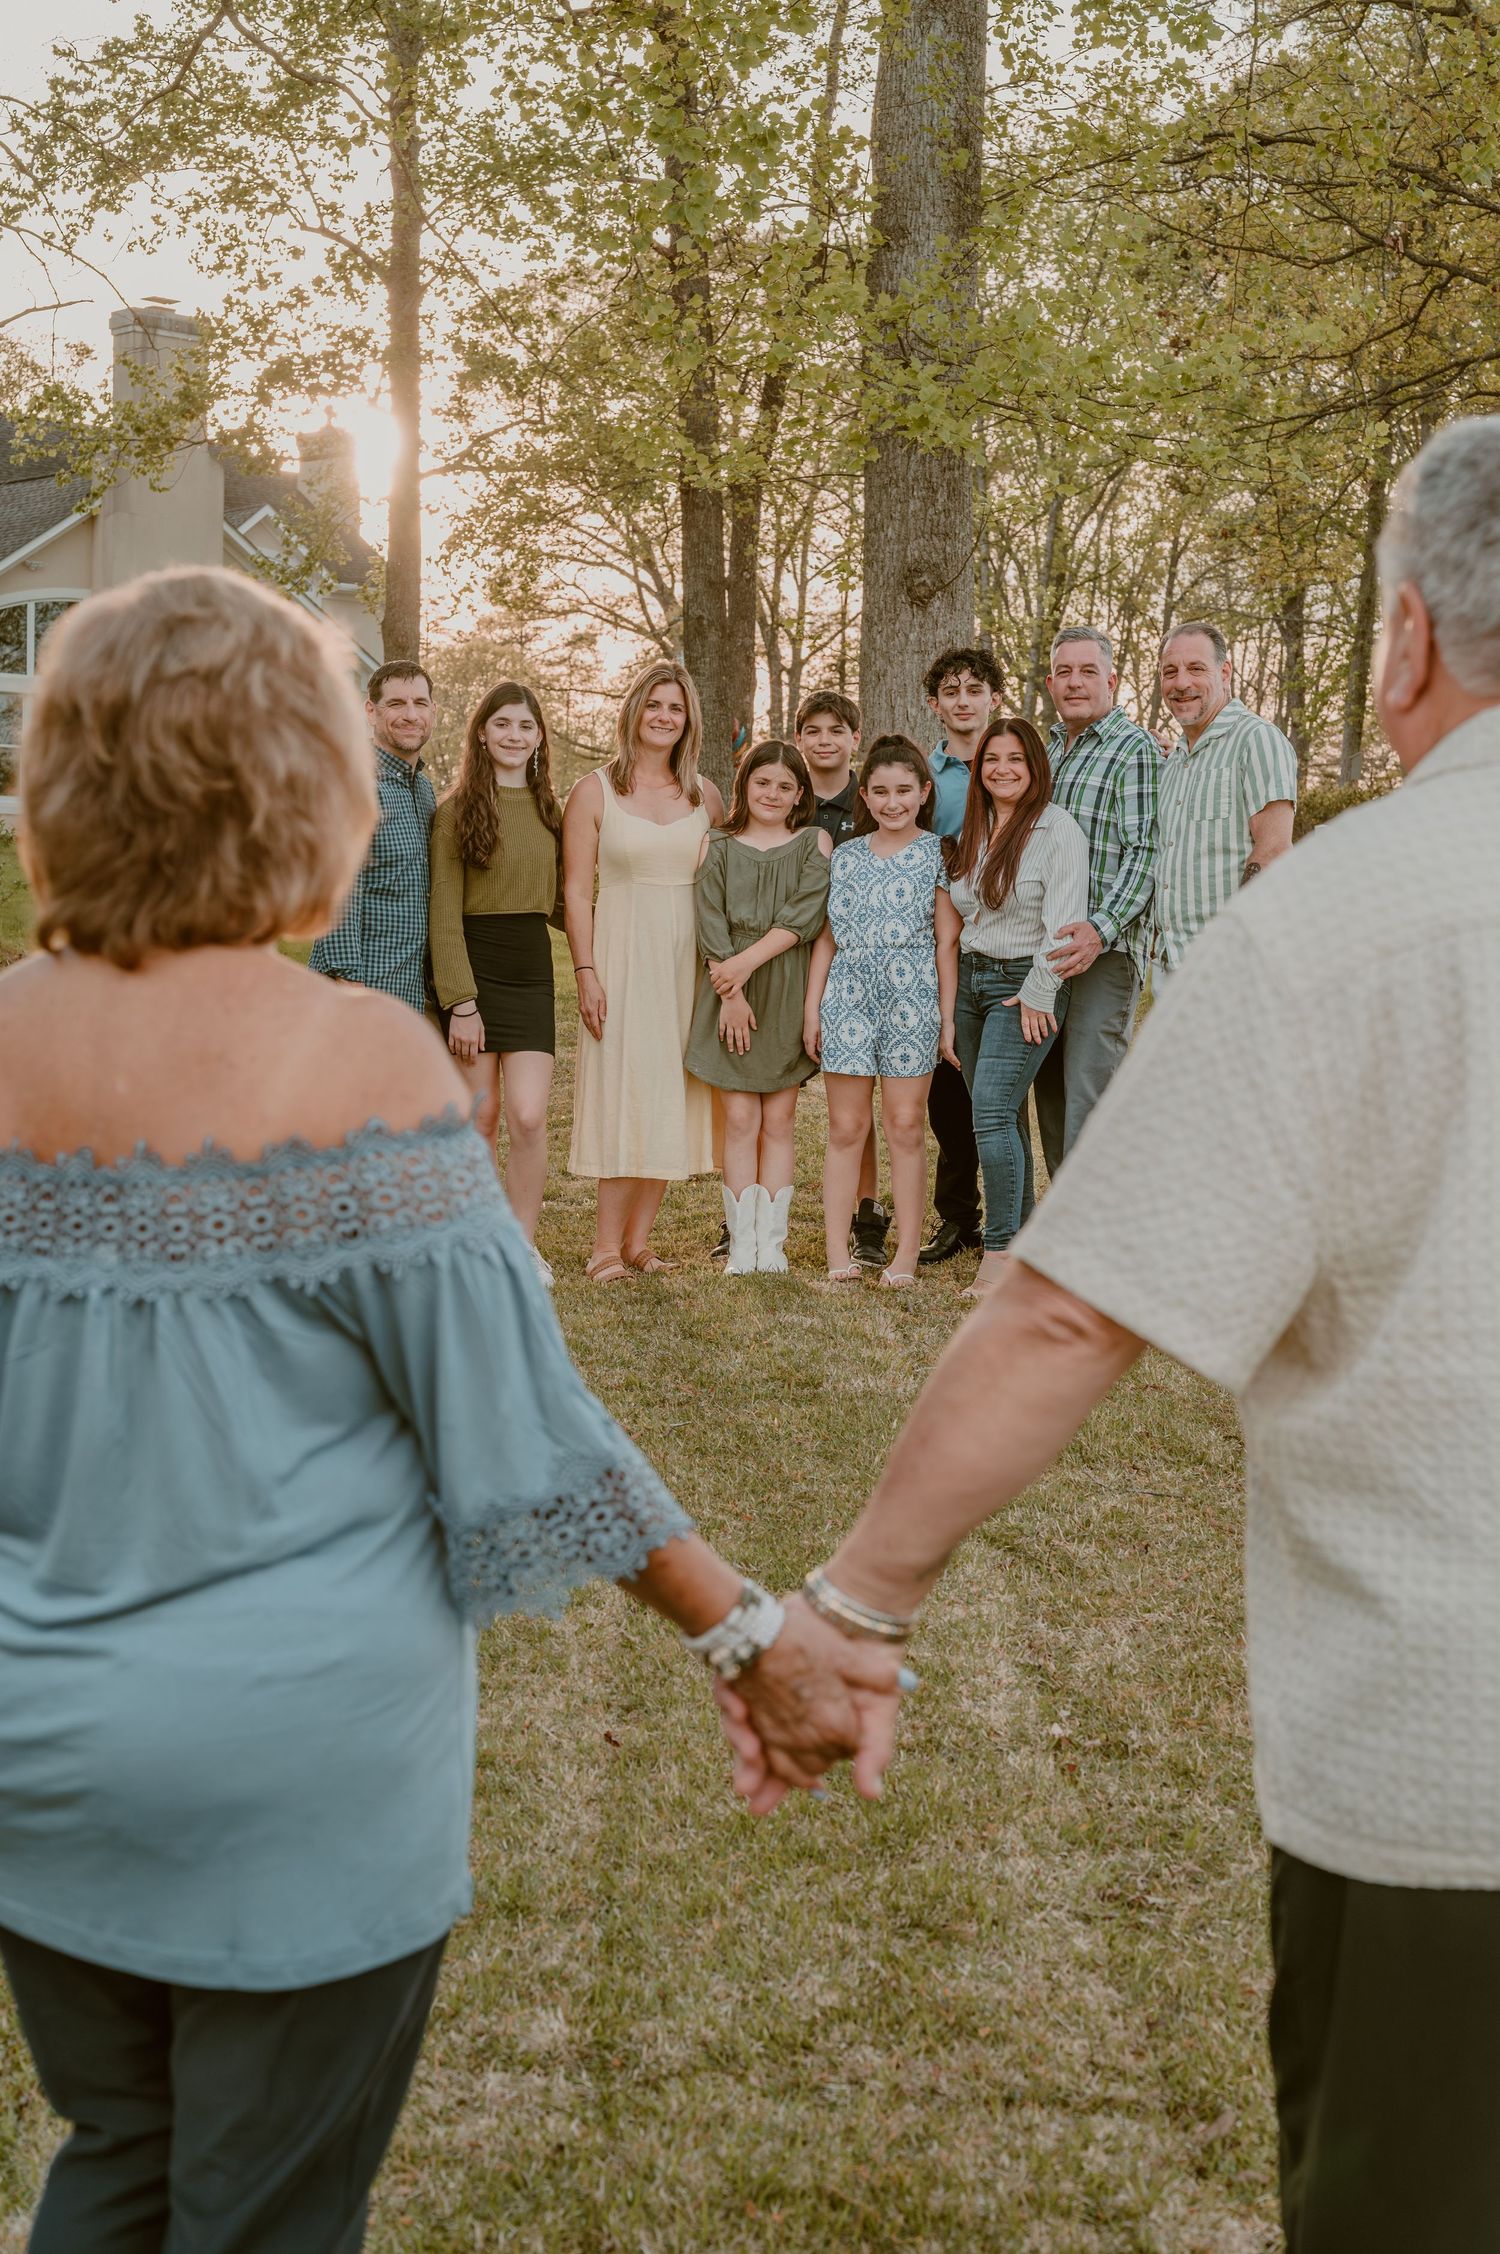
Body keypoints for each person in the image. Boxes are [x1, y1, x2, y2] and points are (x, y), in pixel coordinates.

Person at [0, 566, 900, 2253]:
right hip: (296, 1777)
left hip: (45, 1769)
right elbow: (528, 1425)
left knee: (118, 2156)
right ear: (308, 782)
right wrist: (753, 1636)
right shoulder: (357, 1059)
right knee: (260, 2211)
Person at [721, 417, 1500, 2252]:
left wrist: (855, 1602)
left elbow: (1072, 1304)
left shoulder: (1338, 923)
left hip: (1448, 1790)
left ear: (1400, 637)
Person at [563, 660, 725, 1281]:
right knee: (625, 1086)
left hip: (688, 959)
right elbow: (578, 892)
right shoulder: (593, 791)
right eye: (654, 704)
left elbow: (723, 883)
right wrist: (586, 971)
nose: (664, 716)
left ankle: (638, 1241)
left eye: (676, 708)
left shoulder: (704, 795)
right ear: (634, 710)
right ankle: (604, 1246)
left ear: (689, 722)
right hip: (622, 954)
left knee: (674, 1088)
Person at [804, 737, 961, 1288]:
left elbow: (947, 943)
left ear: (922, 793)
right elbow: (826, 938)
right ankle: (836, 1254)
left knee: (905, 1124)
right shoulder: (845, 856)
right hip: (847, 996)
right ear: (864, 796)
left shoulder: (939, 853)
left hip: (910, 998)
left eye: (903, 791)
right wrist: (812, 1009)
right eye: (880, 792)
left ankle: (906, 1254)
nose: (892, 802)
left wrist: (946, 1018)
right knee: (846, 1126)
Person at [947, 718, 1088, 1297]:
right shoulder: (976, 827)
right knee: (1005, 1117)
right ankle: (1023, 1240)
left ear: (1036, 768)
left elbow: (1064, 925)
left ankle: (1000, 1252)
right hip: (972, 982)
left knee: (991, 1113)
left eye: (1016, 759)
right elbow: (963, 913)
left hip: (1023, 984)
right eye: (991, 759)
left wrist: (1037, 992)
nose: (1002, 769)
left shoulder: (1057, 831)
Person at [428, 681, 563, 1282]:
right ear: (481, 732)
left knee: (529, 1117)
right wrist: (460, 1002)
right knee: (480, 1120)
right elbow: (443, 915)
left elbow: (565, 902)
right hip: (473, 973)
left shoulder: (550, 811)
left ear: (539, 738)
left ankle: (520, 1244)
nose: (514, 735)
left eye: (525, 726)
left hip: (531, 968)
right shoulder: (455, 811)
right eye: (502, 724)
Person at [685, 740, 831, 1274]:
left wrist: (742, 969)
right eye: (762, 782)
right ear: (745, 784)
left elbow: (803, 919)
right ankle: (741, 1245)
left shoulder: (815, 843)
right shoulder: (717, 845)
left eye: (785, 786)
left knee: (780, 1119)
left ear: (799, 796)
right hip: (729, 996)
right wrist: (731, 993)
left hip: (784, 987)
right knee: (741, 1118)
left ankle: (772, 1245)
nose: (772, 793)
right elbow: (710, 924)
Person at [1035, 628, 1159, 1182]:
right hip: (1046, 950)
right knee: (1052, 1096)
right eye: (1065, 672)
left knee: (1089, 1092)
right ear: (1050, 683)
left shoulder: (1134, 751)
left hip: (1102, 952)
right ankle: (1064, 1230)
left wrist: (1098, 930)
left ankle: (1090, 1241)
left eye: (1088, 672)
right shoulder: (1047, 751)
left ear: (1111, 681)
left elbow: (1146, 854)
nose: (1076, 682)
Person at [795, 687, 887, 1267]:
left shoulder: (874, 801)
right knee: (763, 1094)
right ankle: (745, 1213)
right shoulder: (785, 796)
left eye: (837, 730)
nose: (825, 741)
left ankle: (868, 1214)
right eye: (814, 730)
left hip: (858, 966)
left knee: (857, 1102)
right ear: (799, 738)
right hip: (791, 958)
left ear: (856, 739)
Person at [919, 645, 1004, 1267]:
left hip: (1009, 947)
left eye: (974, 689)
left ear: (993, 698)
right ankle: (957, 1219)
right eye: (951, 691)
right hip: (941, 950)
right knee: (947, 1094)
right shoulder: (924, 778)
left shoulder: (1019, 762)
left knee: (999, 1090)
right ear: (935, 704)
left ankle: (1012, 1219)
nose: (963, 701)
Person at [1153, 622, 1296, 970]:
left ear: (1225, 671)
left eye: (1196, 668)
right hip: (1172, 964)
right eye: (1170, 672)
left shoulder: (1256, 739)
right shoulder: (1175, 763)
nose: (1181, 683)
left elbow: (1274, 852)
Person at [309, 661, 437, 1008]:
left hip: (411, 996)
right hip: (360, 993)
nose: (411, 715)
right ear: (371, 710)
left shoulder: (424, 792)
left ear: (432, 711)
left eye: (420, 703)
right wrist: (349, 983)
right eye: (396, 704)